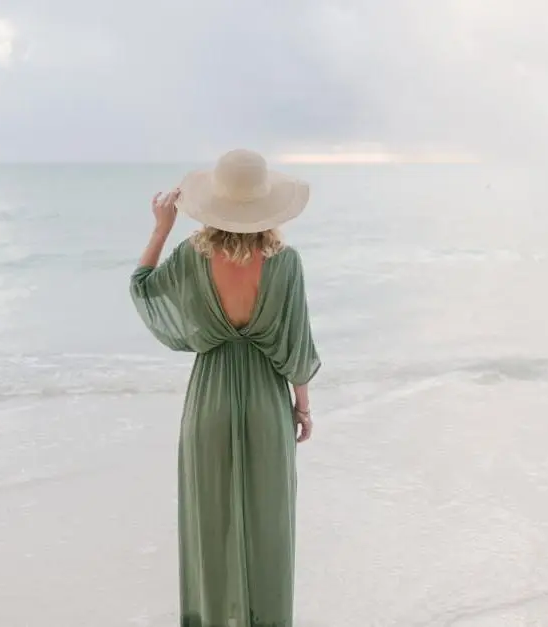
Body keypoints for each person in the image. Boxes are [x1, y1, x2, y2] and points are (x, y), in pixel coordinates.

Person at [130, 149, 321, 627]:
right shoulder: (287, 263)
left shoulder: (190, 257)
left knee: (208, 525)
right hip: (265, 402)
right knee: (269, 527)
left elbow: (143, 288)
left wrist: (161, 227)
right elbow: (296, 348)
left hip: (209, 401)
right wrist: (302, 409)